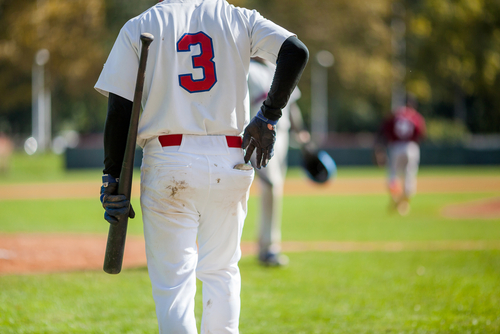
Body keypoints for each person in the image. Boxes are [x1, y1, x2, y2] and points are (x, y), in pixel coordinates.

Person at [95, 0, 309, 333]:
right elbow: (295, 51)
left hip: (168, 158)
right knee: (222, 274)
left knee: (174, 287)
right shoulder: (239, 17)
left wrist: (111, 177)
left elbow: (119, 110)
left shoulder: (141, 24)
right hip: (230, 156)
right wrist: (268, 115)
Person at [247, 57, 308, 267]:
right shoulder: (245, 68)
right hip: (257, 134)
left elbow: (291, 106)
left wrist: (302, 135)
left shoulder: (279, 69)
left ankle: (268, 246)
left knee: (274, 188)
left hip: (281, 134)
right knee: (270, 185)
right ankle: (269, 248)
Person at [374, 93, 426, 215]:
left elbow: (383, 130)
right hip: (411, 147)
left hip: (396, 146)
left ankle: (395, 199)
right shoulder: (416, 116)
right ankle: (404, 202)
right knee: (409, 176)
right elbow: (422, 134)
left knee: (393, 175)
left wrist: (379, 148)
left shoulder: (395, 114)